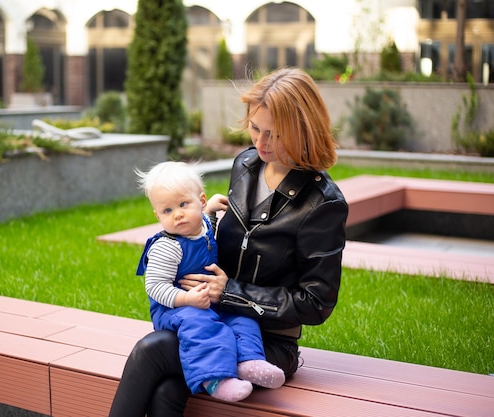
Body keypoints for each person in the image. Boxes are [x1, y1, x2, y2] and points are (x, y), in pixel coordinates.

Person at [108, 67, 349, 417]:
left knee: (152, 350)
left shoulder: (322, 203)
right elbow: (238, 240)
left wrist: (231, 292)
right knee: (167, 390)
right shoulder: (247, 164)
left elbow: (316, 302)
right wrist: (204, 220)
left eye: (275, 135)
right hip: (212, 321)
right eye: (255, 128)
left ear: (302, 130)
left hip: (265, 340)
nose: (260, 143)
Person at [134, 161, 285, 403]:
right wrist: (186, 299)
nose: (178, 214)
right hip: (176, 310)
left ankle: (249, 361)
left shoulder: (202, 224)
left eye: (184, 204)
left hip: (209, 301)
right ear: (157, 214)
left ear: (200, 201)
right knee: (203, 326)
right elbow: (155, 286)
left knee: (242, 317)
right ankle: (215, 378)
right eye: (168, 211)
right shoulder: (167, 246)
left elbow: (204, 225)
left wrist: (210, 210)